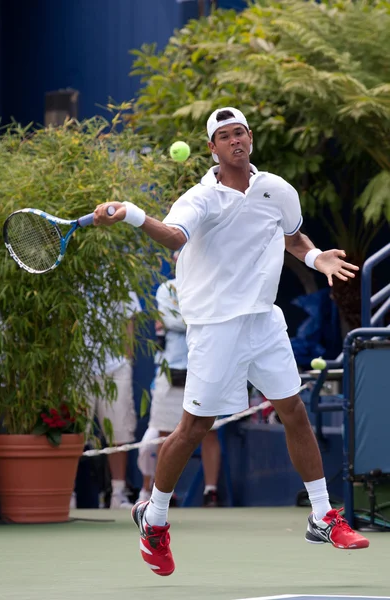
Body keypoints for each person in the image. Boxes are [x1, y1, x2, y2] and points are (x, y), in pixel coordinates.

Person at [94, 106, 369, 575]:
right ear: (213, 148)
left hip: (263, 320)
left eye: (240, 132)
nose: (235, 141)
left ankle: (322, 515)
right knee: (193, 429)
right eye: (224, 136)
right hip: (214, 326)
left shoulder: (275, 189)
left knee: (294, 411)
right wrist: (132, 214)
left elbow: (293, 236)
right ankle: (154, 517)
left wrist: (318, 257)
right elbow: (173, 234)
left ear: (251, 139)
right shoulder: (200, 198)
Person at [138, 260, 222, 507]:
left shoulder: (211, 286)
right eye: (179, 255)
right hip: (171, 367)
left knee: (210, 430)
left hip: (205, 365)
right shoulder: (166, 289)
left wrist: (199, 318)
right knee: (165, 431)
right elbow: (171, 320)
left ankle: (211, 491)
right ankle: (165, 492)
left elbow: (215, 320)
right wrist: (203, 318)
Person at [80, 290, 141, 509]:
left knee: (119, 432)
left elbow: (129, 318)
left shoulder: (120, 277)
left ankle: (117, 494)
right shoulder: (72, 277)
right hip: (77, 365)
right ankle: (67, 494)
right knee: (75, 434)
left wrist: (126, 358)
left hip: (115, 366)